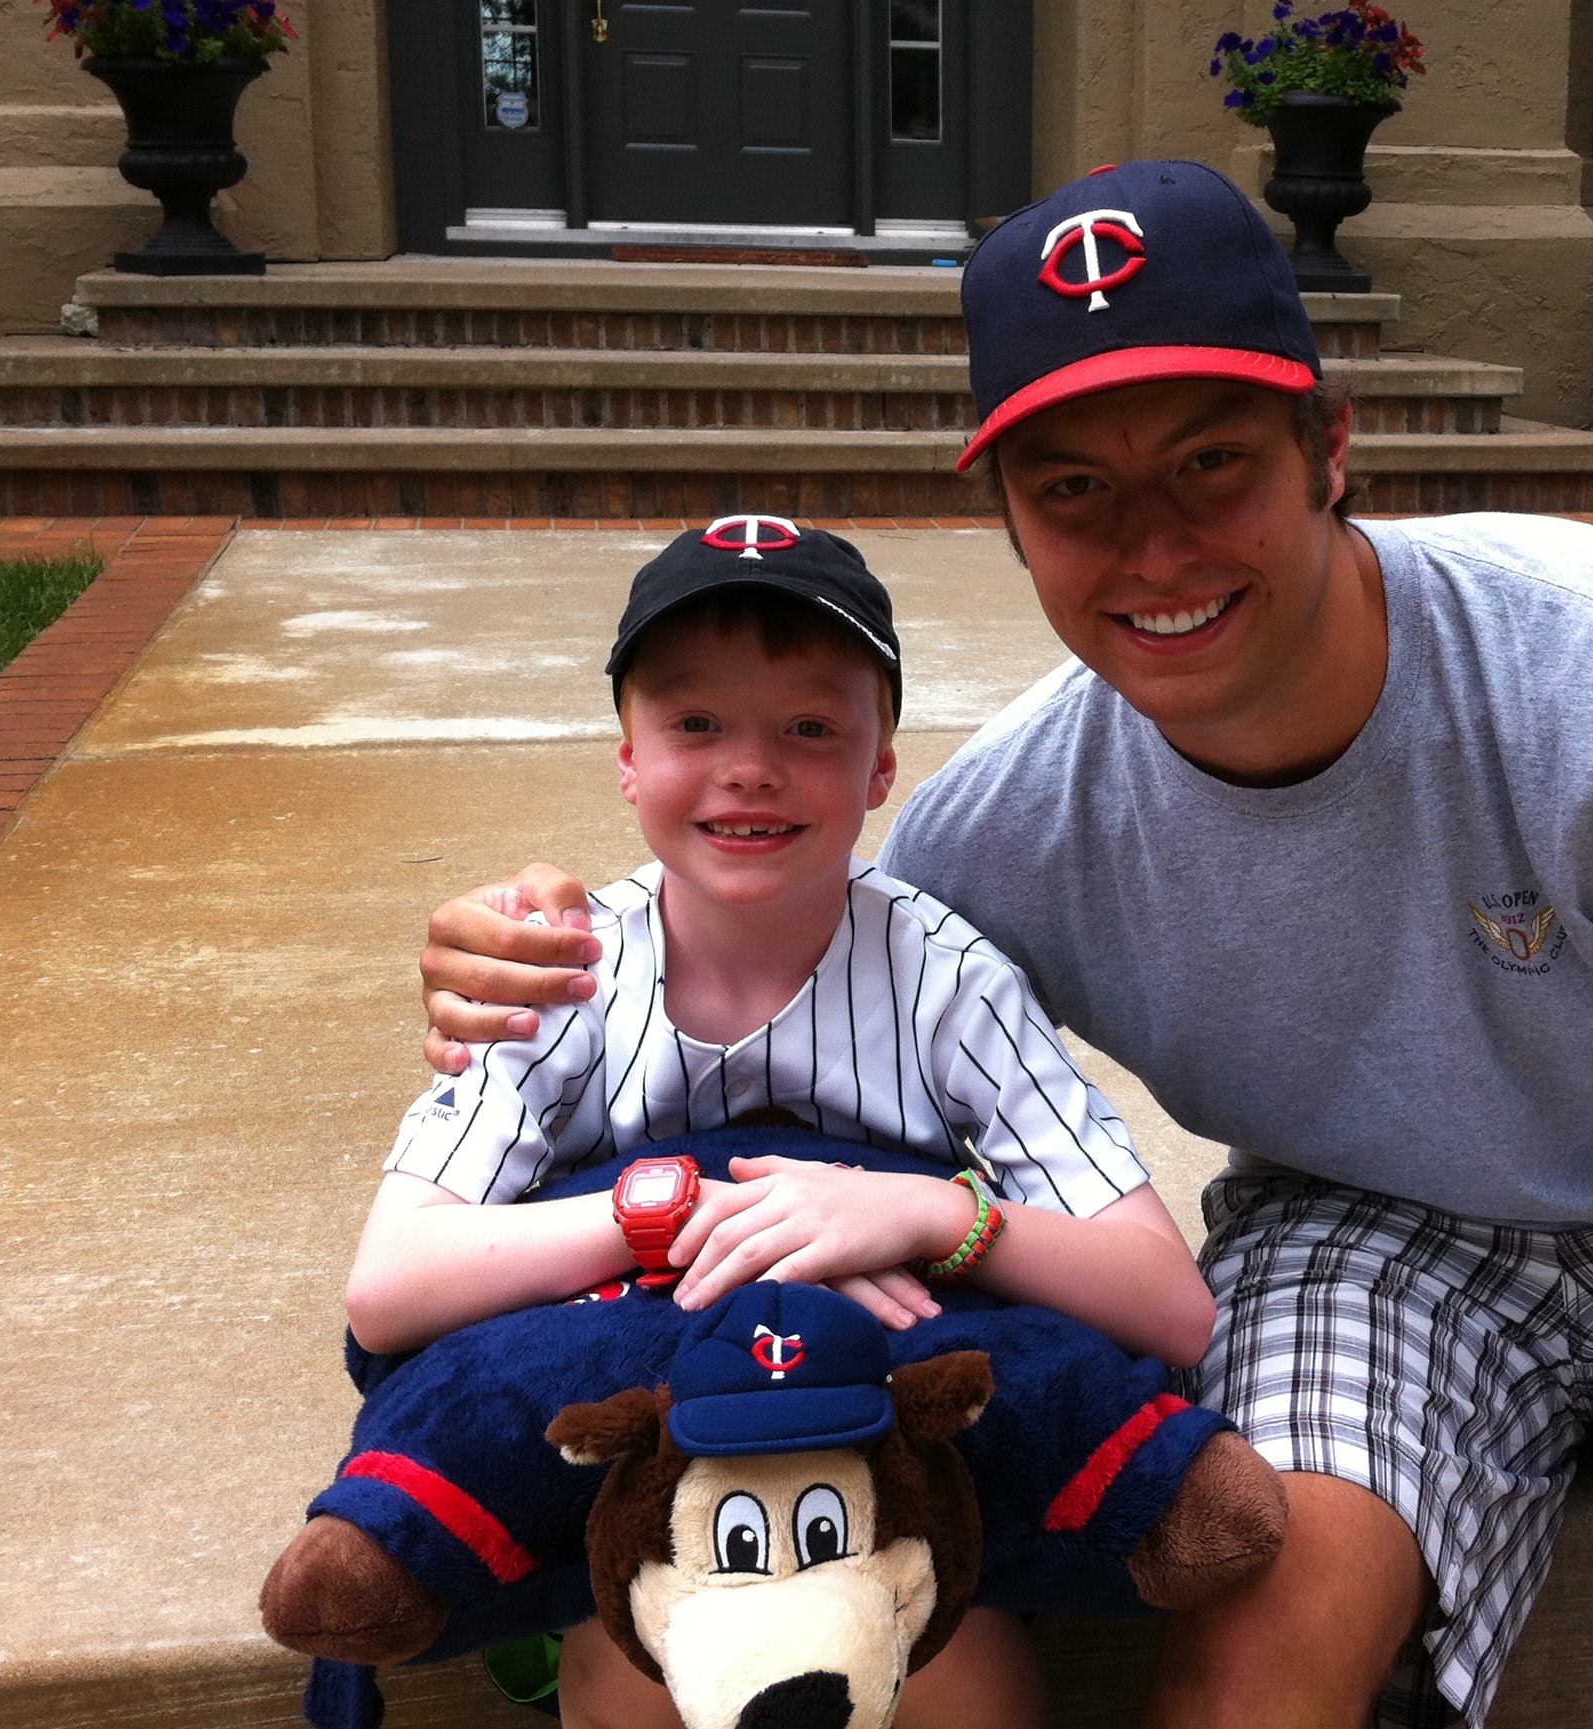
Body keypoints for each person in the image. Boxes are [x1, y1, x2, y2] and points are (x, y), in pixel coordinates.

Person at [413, 163, 1593, 1729]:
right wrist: (540, 958)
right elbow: (771, 1029)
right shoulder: (1023, 831)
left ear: (1328, 444)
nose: (1156, 545)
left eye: (1214, 465)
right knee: (1269, 1593)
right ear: (1008, 522)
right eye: (1076, 492)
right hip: (1365, 1229)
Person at [352, 521, 1216, 1729]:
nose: (749, 768)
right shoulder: (563, 973)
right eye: (696, 724)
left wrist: (923, 1211)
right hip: (658, 1483)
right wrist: (687, 1218)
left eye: (809, 727)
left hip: (877, 1470)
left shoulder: (943, 975)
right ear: (628, 759)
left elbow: (1166, 1299)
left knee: (957, 1662)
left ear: (879, 770)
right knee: (631, 1657)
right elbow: (390, 1284)